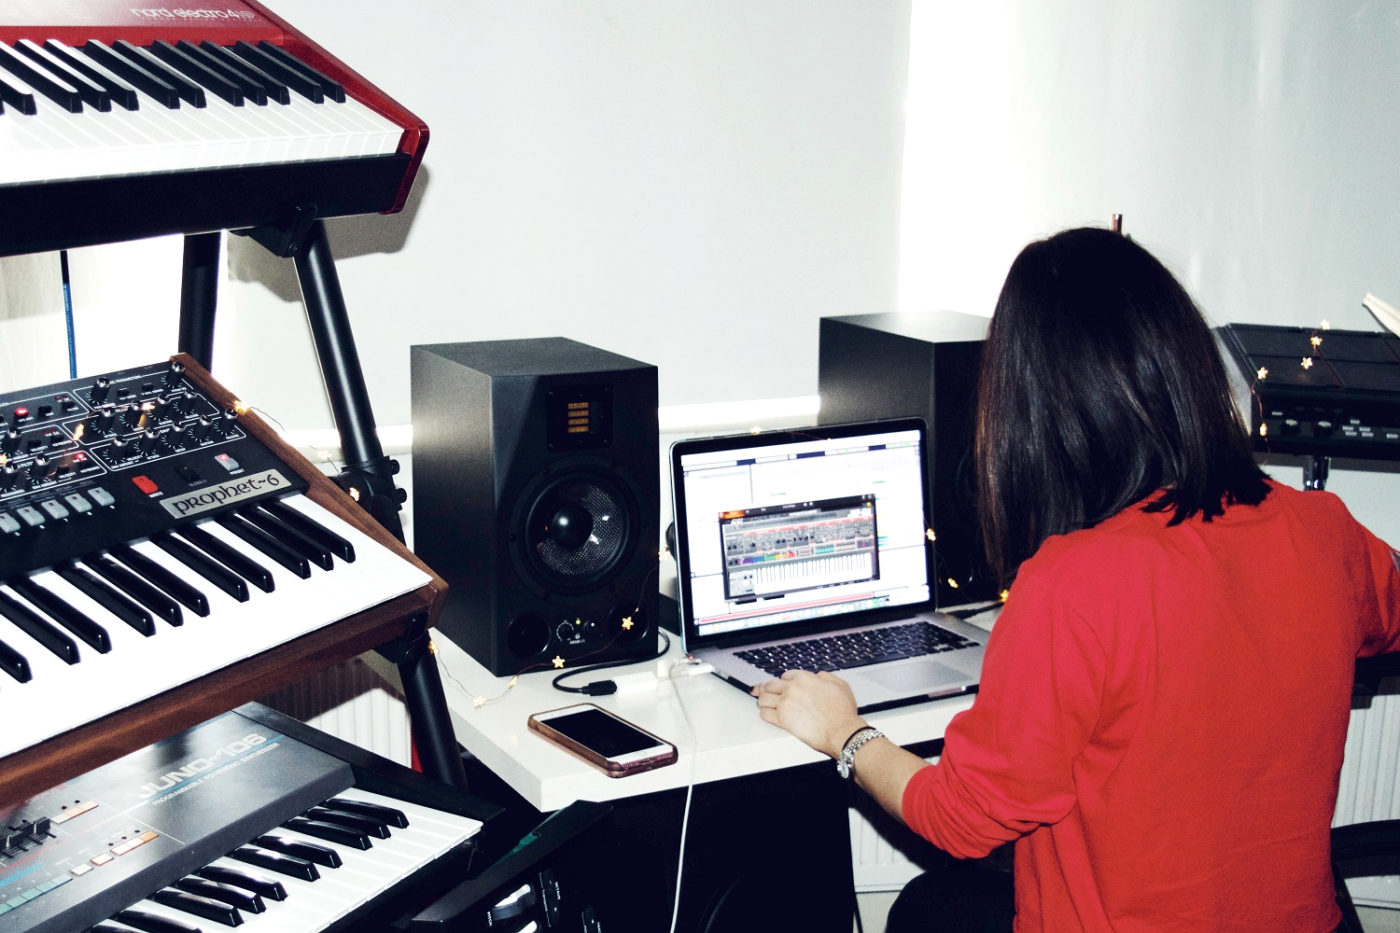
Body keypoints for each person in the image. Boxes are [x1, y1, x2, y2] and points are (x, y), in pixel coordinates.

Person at [752, 227, 1400, 931]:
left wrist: (846, 733)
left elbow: (959, 819)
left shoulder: (1074, 582)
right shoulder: (1326, 530)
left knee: (925, 910)